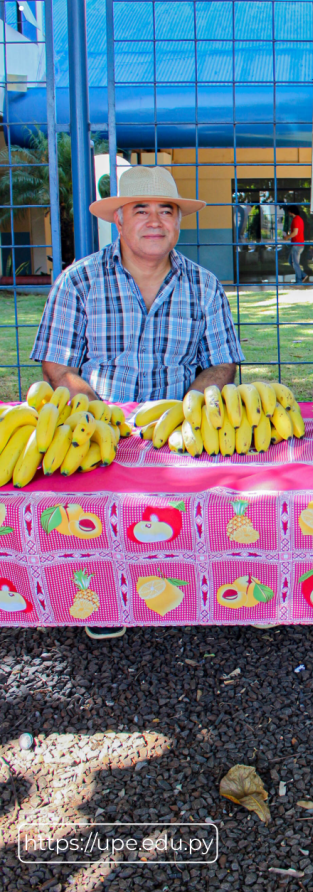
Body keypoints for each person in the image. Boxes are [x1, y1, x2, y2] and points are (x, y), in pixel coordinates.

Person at [30, 164, 245, 641]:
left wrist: (189, 409)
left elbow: (223, 364)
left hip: (177, 430)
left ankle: (192, 589)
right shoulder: (78, 281)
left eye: (165, 210)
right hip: (99, 425)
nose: (154, 221)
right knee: (89, 513)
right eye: (140, 210)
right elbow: (56, 364)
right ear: (119, 221)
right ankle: (103, 595)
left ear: (178, 222)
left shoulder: (203, 285)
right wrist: (95, 409)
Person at [286, 205, 308, 283]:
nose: (288, 213)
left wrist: (287, 237)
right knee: (291, 261)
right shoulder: (300, 219)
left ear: (291, 211)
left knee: (295, 263)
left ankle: (299, 279)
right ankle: (302, 275)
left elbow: (295, 232)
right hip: (299, 244)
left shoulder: (295, 220)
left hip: (297, 244)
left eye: (288, 211)